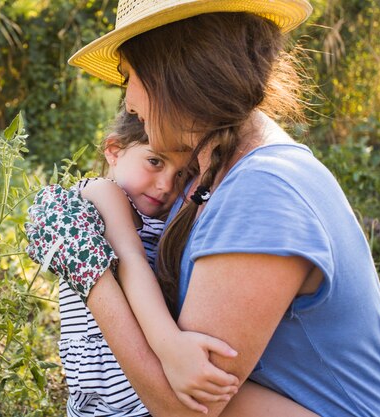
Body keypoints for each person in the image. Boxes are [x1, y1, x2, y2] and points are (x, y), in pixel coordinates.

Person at [27, 1, 380, 417]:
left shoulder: (261, 189)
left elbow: (184, 408)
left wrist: (88, 271)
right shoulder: (216, 174)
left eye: (129, 77)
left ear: (171, 72)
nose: (128, 102)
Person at [54, 108, 241, 416]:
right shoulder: (102, 192)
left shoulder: (165, 218)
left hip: (143, 388)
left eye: (181, 174)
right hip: (110, 390)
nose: (166, 185)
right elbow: (130, 258)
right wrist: (171, 347)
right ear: (114, 151)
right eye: (155, 161)